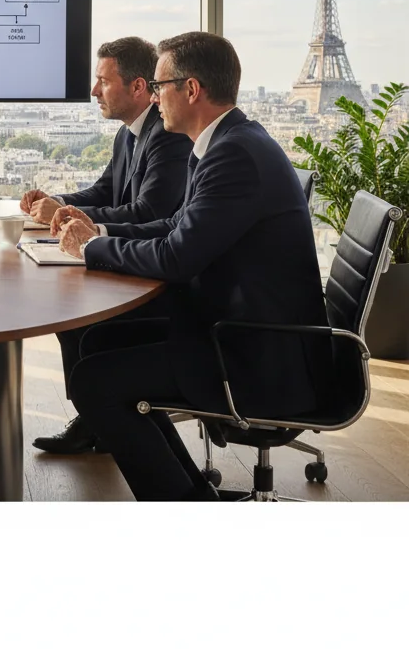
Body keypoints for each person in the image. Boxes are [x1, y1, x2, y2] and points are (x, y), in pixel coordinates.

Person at [57, 32, 331, 501]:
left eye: (159, 86)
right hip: (235, 327)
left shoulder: (232, 154)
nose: (154, 97)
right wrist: (98, 233)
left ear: (191, 89)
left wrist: (91, 249)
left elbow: (176, 256)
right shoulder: (227, 141)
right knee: (97, 343)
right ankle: (196, 496)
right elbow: (175, 225)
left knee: (95, 380)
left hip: (256, 353)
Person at [22, 37, 191, 455]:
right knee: (68, 308)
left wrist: (87, 229)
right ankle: (98, 418)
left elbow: (150, 211)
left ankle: (100, 416)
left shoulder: (167, 137)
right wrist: (59, 204)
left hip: (160, 282)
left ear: (138, 87)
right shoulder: (130, 133)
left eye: (103, 81)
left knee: (74, 312)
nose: (94, 90)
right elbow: (104, 190)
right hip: (142, 261)